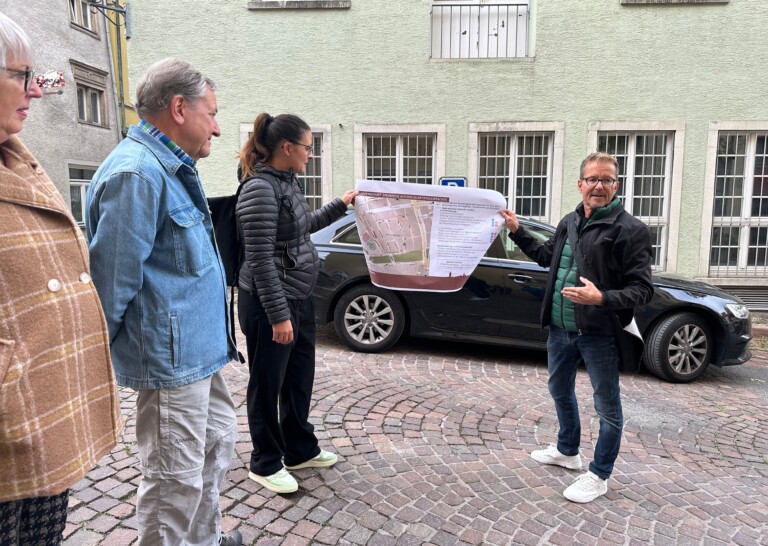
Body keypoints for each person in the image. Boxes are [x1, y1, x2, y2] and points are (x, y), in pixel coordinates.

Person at [85, 58, 242, 546]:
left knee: (216, 449)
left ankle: (205, 541)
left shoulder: (169, 168)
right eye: (211, 113)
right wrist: (95, 364)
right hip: (170, 361)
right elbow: (110, 282)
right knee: (173, 478)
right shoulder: (138, 174)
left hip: (201, 354)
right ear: (179, 108)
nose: (217, 125)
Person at [0, 13, 122, 545]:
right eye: (19, 74)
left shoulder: (17, 159)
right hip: (13, 423)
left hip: (42, 416)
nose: (35, 90)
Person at [500, 152, 653, 503]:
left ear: (616, 185)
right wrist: (517, 231)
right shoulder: (569, 220)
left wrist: (602, 298)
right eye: (593, 179)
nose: (599, 186)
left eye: (607, 180)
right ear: (580, 183)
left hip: (599, 333)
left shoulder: (631, 230)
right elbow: (546, 258)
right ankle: (568, 451)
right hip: (560, 328)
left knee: (607, 406)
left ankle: (599, 474)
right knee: (559, 390)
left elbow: (643, 289)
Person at [236, 113, 357, 494]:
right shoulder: (259, 189)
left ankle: (299, 449)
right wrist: (278, 316)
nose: (311, 154)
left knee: (298, 379)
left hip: (299, 297)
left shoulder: (288, 182)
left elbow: (302, 226)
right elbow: (258, 258)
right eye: (308, 147)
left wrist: (342, 204)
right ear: (286, 148)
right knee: (267, 383)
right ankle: (266, 461)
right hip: (271, 304)